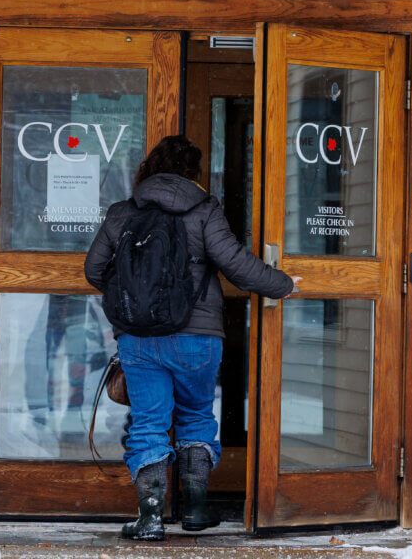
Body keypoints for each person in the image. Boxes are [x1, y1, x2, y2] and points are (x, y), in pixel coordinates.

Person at [84, 135, 298, 540]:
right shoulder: (205, 210)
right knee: (196, 415)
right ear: (192, 173)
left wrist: (134, 297)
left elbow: (94, 270)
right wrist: (282, 284)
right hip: (197, 337)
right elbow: (236, 264)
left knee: (148, 422)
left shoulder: (121, 213)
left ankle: (150, 518)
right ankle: (196, 509)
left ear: (149, 169)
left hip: (139, 339)